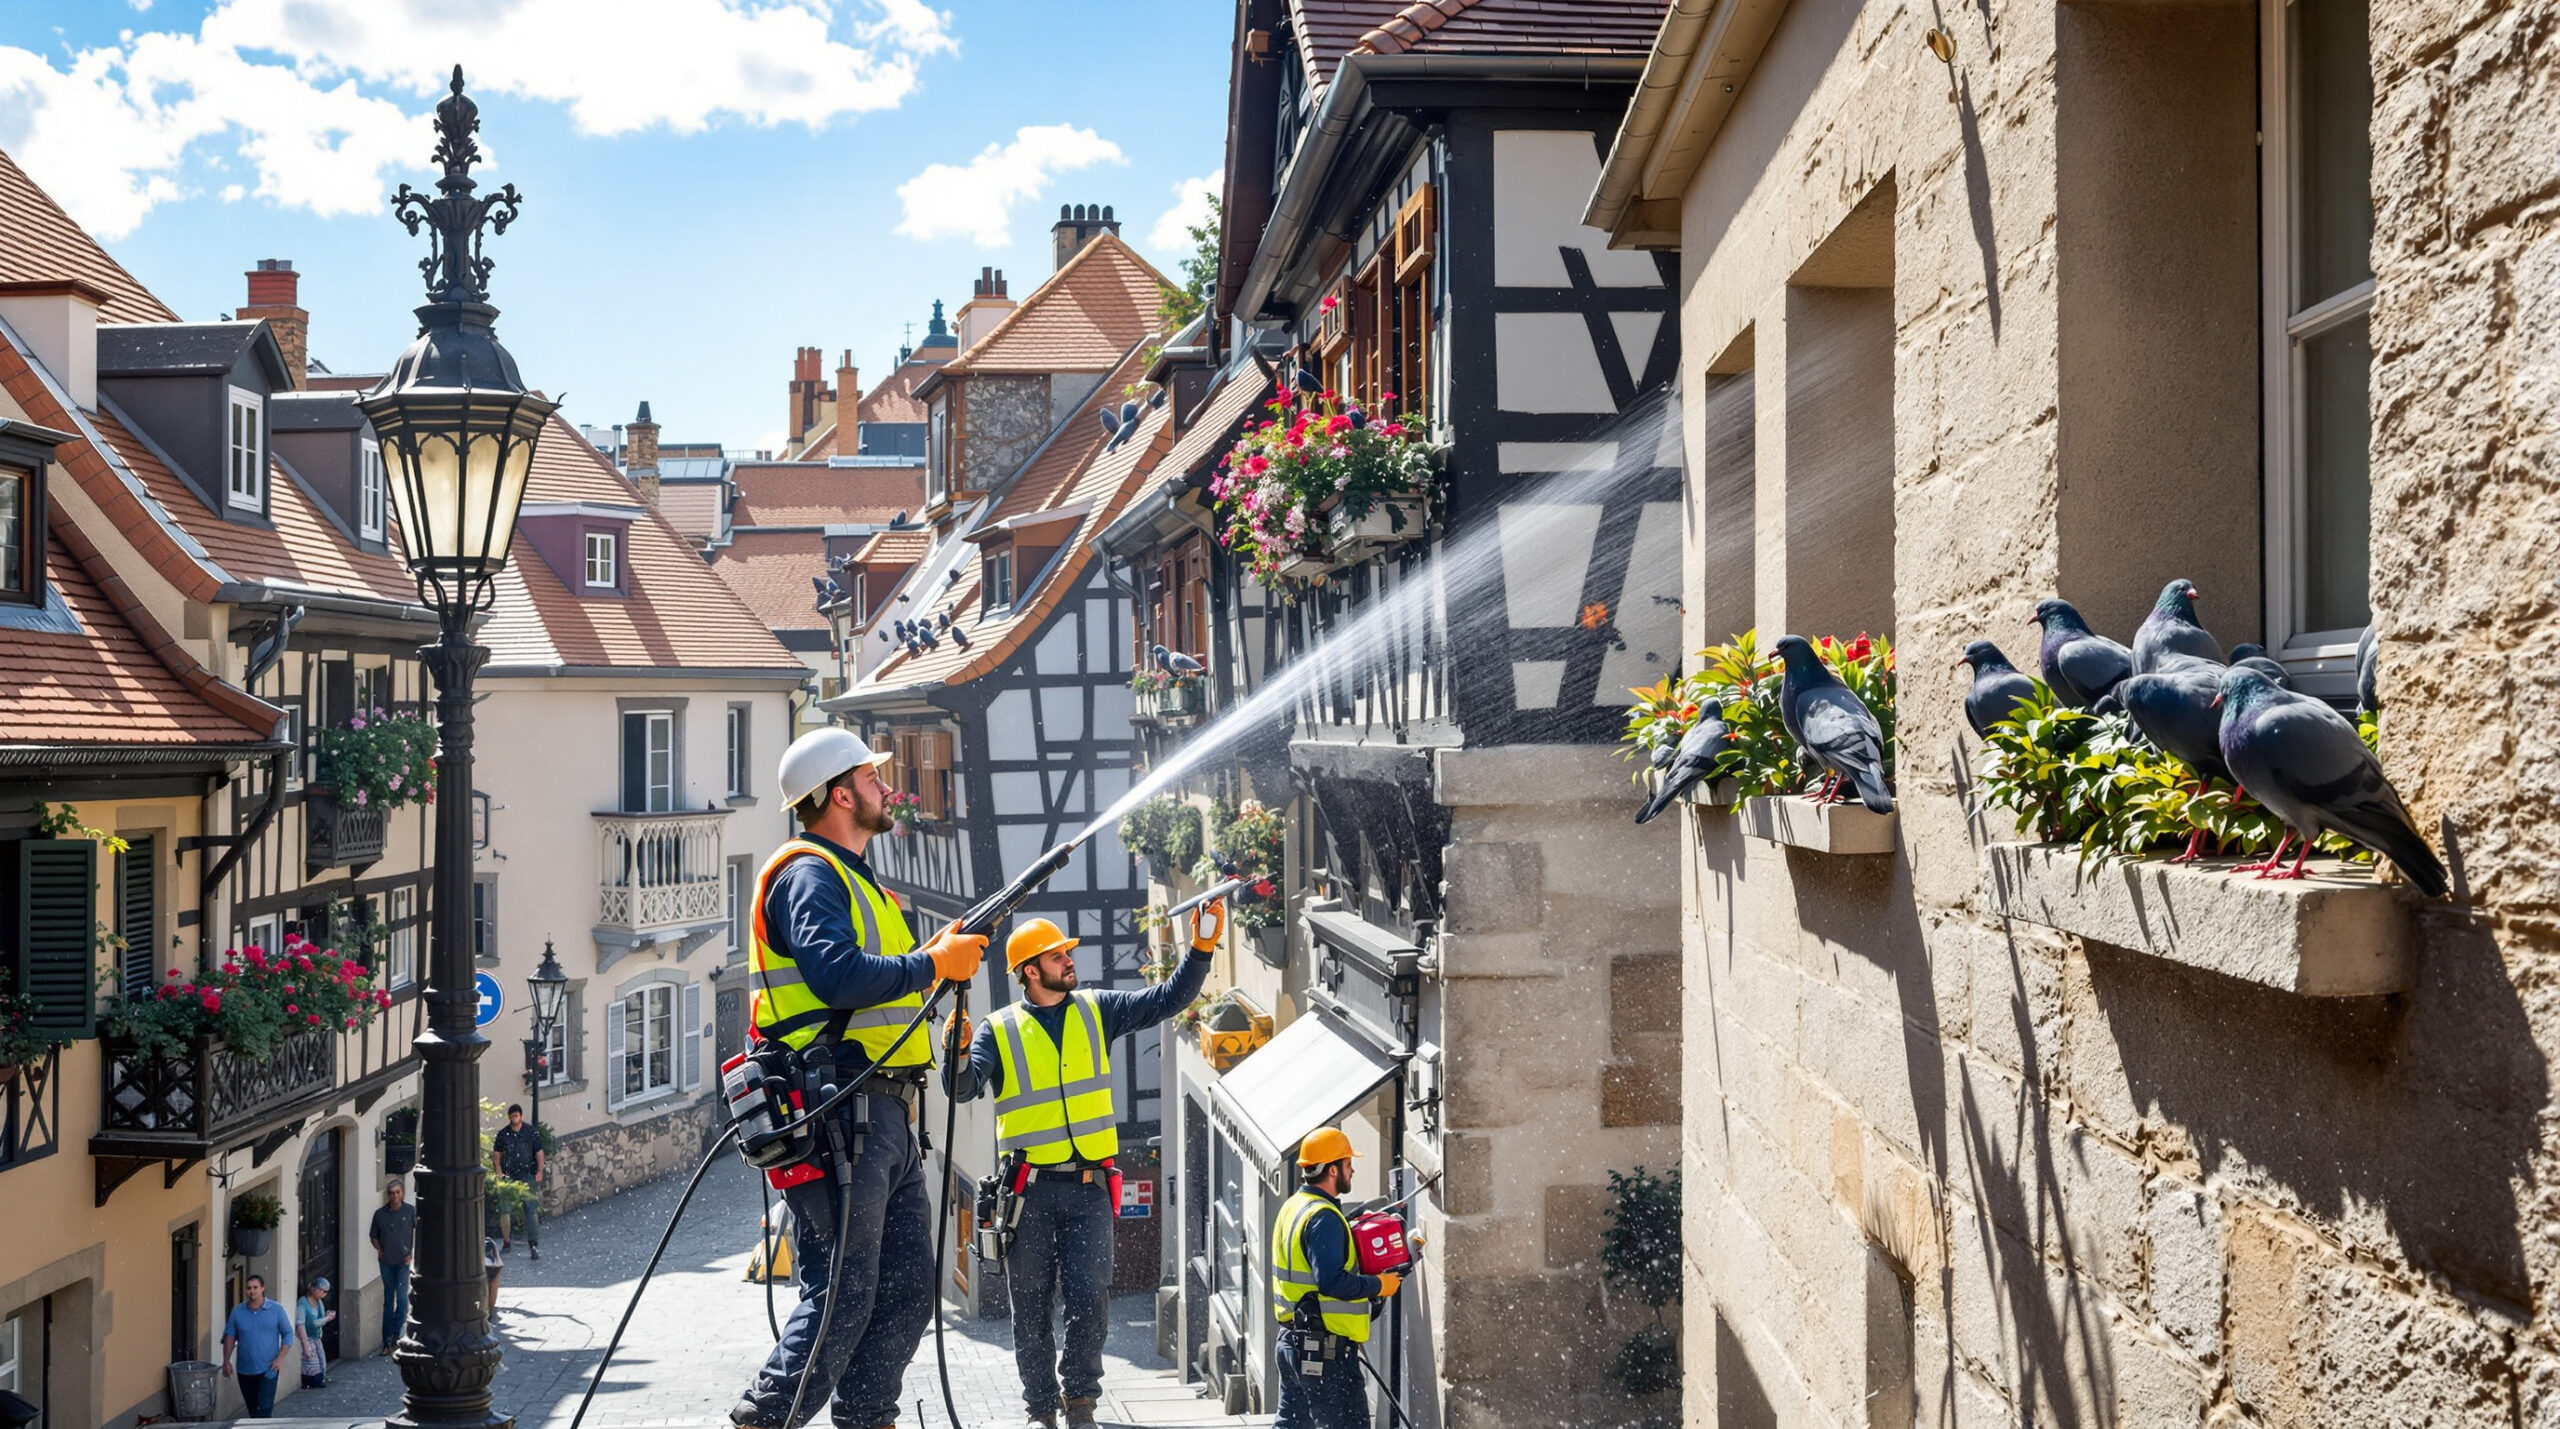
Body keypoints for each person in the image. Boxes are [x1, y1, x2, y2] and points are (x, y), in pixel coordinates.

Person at [729, 729, 987, 1429]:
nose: (886, 787)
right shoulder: (810, 873)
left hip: (885, 1117)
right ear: (841, 794)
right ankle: (764, 1414)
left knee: (905, 1290)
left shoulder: (854, 879)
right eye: (873, 778)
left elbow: (879, 988)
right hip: (842, 1110)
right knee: (842, 1288)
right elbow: (835, 973)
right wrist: (933, 965)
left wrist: (934, 964)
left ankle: (868, 1416)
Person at [946, 899, 1223, 1428]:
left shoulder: (1097, 1009)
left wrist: (1202, 947)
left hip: (1091, 1188)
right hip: (1027, 1194)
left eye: (1067, 953)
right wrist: (956, 1051)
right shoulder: (996, 1030)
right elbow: (962, 1089)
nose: (1069, 961)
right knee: (1029, 1310)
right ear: (1031, 970)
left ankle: (1080, 1402)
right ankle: (1040, 1410)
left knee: (1090, 1300)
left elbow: (1168, 999)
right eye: (1057, 956)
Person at [1271, 1128, 1403, 1429]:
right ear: (1332, 1169)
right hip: (1325, 1353)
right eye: (1347, 1163)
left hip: (1292, 1342)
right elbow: (1331, 1282)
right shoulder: (1323, 1218)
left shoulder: (1293, 1207)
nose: (1352, 1169)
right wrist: (1380, 1284)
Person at [220, 1273, 294, 1419]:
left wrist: (280, 1358)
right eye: (249, 1288)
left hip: (268, 1367)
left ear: (262, 1288)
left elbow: (288, 1334)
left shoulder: (276, 1309)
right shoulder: (237, 1311)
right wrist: (226, 1361)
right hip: (245, 1368)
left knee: (264, 1408)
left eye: (255, 1287)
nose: (252, 1291)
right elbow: (230, 1336)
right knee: (253, 1409)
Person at [368, 1179, 415, 1356]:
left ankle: (397, 1334)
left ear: (402, 1193)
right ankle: (386, 1341)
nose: (394, 1196)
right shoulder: (380, 1214)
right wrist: (379, 1249)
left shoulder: (410, 1211)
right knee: (388, 1300)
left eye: (397, 1192)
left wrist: (410, 1253)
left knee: (402, 1299)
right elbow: (373, 1235)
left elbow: (416, 1231)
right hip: (387, 1261)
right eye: (391, 1193)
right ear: (388, 1195)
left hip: (403, 1262)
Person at [492, 1104, 544, 1259]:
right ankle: (507, 1241)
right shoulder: (503, 1135)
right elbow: (497, 1155)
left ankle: (533, 1244)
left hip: (527, 1175)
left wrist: (539, 1171)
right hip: (509, 1176)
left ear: (520, 1116)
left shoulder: (531, 1132)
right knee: (505, 1210)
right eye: (512, 1116)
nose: (514, 1118)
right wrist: (499, 1173)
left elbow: (539, 1153)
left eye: (516, 1115)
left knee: (531, 1210)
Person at [294, 1278, 334, 1389]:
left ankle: (321, 1377)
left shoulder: (319, 1302)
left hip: (316, 1336)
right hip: (307, 1337)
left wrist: (326, 1316)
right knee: (311, 1365)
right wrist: (326, 1319)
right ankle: (310, 1380)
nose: (324, 1294)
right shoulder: (303, 1303)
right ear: (313, 1289)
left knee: (322, 1361)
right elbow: (306, 1323)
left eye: (326, 1292)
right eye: (322, 1290)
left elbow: (320, 1319)